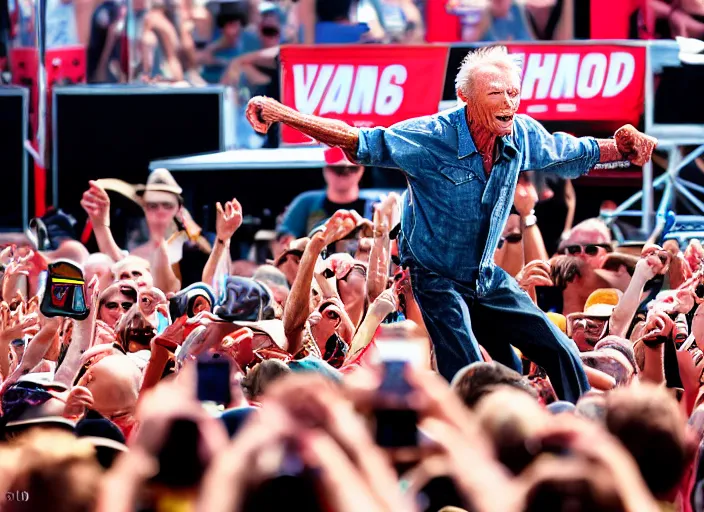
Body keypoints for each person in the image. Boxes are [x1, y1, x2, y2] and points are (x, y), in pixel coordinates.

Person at [245, 45, 657, 402]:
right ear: (464, 96)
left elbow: (568, 153)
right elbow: (354, 140)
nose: (509, 103)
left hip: (484, 276)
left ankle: (579, 424)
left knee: (559, 351)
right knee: (466, 368)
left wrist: (621, 149)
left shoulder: (521, 134)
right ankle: (477, 444)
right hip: (435, 276)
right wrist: (284, 114)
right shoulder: (429, 138)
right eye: (497, 93)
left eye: (514, 93)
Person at [277, 147, 379, 243]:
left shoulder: (377, 207)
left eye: (351, 169)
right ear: (325, 169)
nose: (343, 173)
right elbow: (285, 244)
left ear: (361, 169)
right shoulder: (305, 202)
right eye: (337, 169)